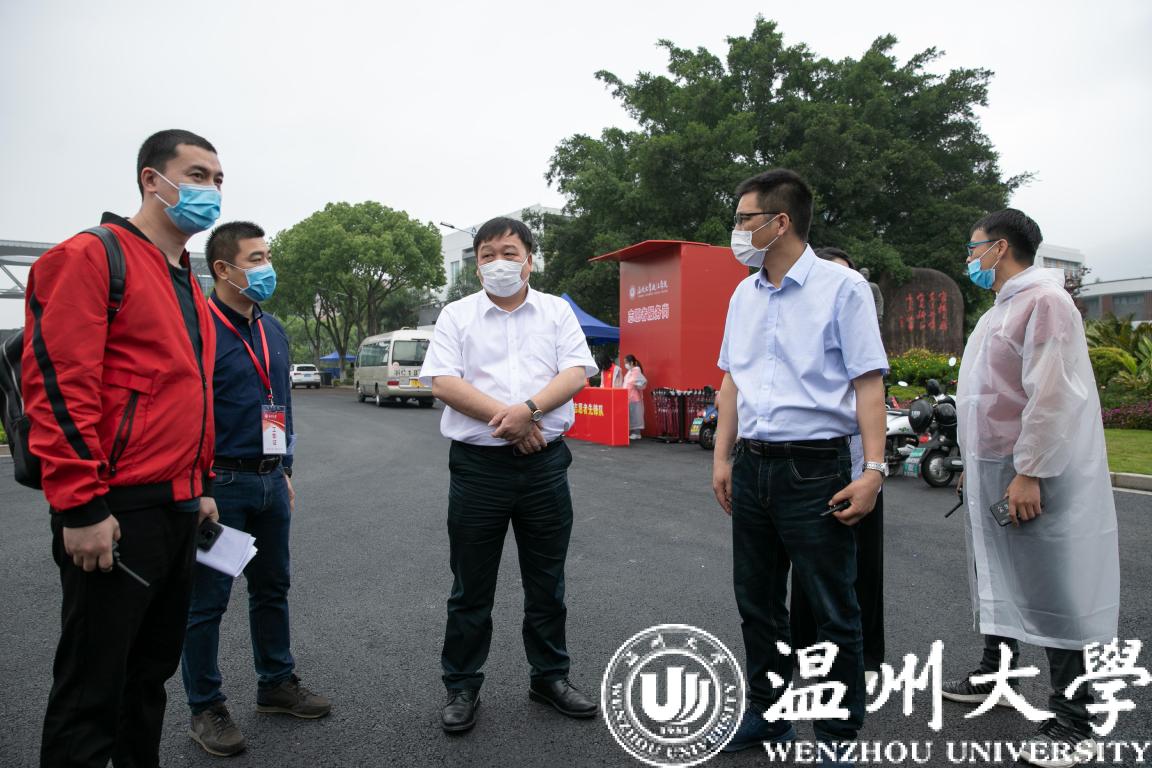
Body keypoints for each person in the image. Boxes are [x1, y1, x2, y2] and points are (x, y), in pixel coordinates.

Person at [24, 129, 222, 768]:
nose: (212, 190)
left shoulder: (187, 281)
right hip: (114, 508)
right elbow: (59, 388)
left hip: (177, 508)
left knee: (148, 678)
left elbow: (185, 396)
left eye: (219, 180)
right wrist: (80, 507)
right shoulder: (90, 256)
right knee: (92, 691)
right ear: (151, 180)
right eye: (197, 176)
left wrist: (200, 487)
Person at [711, 169, 888, 766]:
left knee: (833, 606)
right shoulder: (743, 295)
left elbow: (868, 383)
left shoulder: (843, 288)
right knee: (757, 602)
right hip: (753, 464)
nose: (737, 230)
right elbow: (731, 381)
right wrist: (723, 457)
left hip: (815, 467)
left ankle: (837, 735)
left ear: (779, 221)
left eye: (744, 218)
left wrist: (873, 470)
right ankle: (768, 713)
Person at [945, 209, 1119, 768]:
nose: (969, 257)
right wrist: (973, 463)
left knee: (1051, 589)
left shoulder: (1045, 302)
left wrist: (1031, 471)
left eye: (974, 247)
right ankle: (997, 673)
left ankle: (1076, 721)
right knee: (997, 574)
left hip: (1026, 470)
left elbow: (1052, 395)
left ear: (1000, 248)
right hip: (994, 466)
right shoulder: (1003, 306)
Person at [418, 217, 600, 734]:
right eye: (487, 255)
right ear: (476, 267)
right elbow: (443, 382)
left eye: (509, 252)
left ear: (529, 260)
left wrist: (529, 410)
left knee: (547, 582)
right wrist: (511, 420)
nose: (499, 262)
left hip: (545, 466)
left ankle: (550, 677)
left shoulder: (556, 311)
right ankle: (461, 684)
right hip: (478, 469)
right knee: (470, 586)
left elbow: (575, 372)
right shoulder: (456, 315)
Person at [180, 222, 330, 757]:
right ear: (223, 269)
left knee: (272, 588)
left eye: (268, 256)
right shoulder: (198, 328)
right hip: (220, 485)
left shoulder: (273, 329)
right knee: (208, 601)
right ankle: (206, 708)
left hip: (269, 481)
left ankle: (276, 684)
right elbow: (185, 412)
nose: (268, 268)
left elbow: (280, 403)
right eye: (257, 259)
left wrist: (284, 466)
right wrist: (198, 485)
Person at [791, 247, 886, 686]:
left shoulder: (861, 333)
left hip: (860, 466)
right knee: (808, 566)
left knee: (863, 565)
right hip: (811, 467)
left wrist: (874, 470)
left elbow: (872, 392)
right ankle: (805, 647)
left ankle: (864, 656)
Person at [622, 354, 647, 440]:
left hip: (634, 397)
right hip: (629, 397)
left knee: (635, 415)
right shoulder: (630, 372)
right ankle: (633, 432)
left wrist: (636, 385)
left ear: (631, 363)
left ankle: (637, 433)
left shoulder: (636, 371)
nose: (625, 364)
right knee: (631, 415)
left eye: (626, 362)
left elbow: (642, 383)